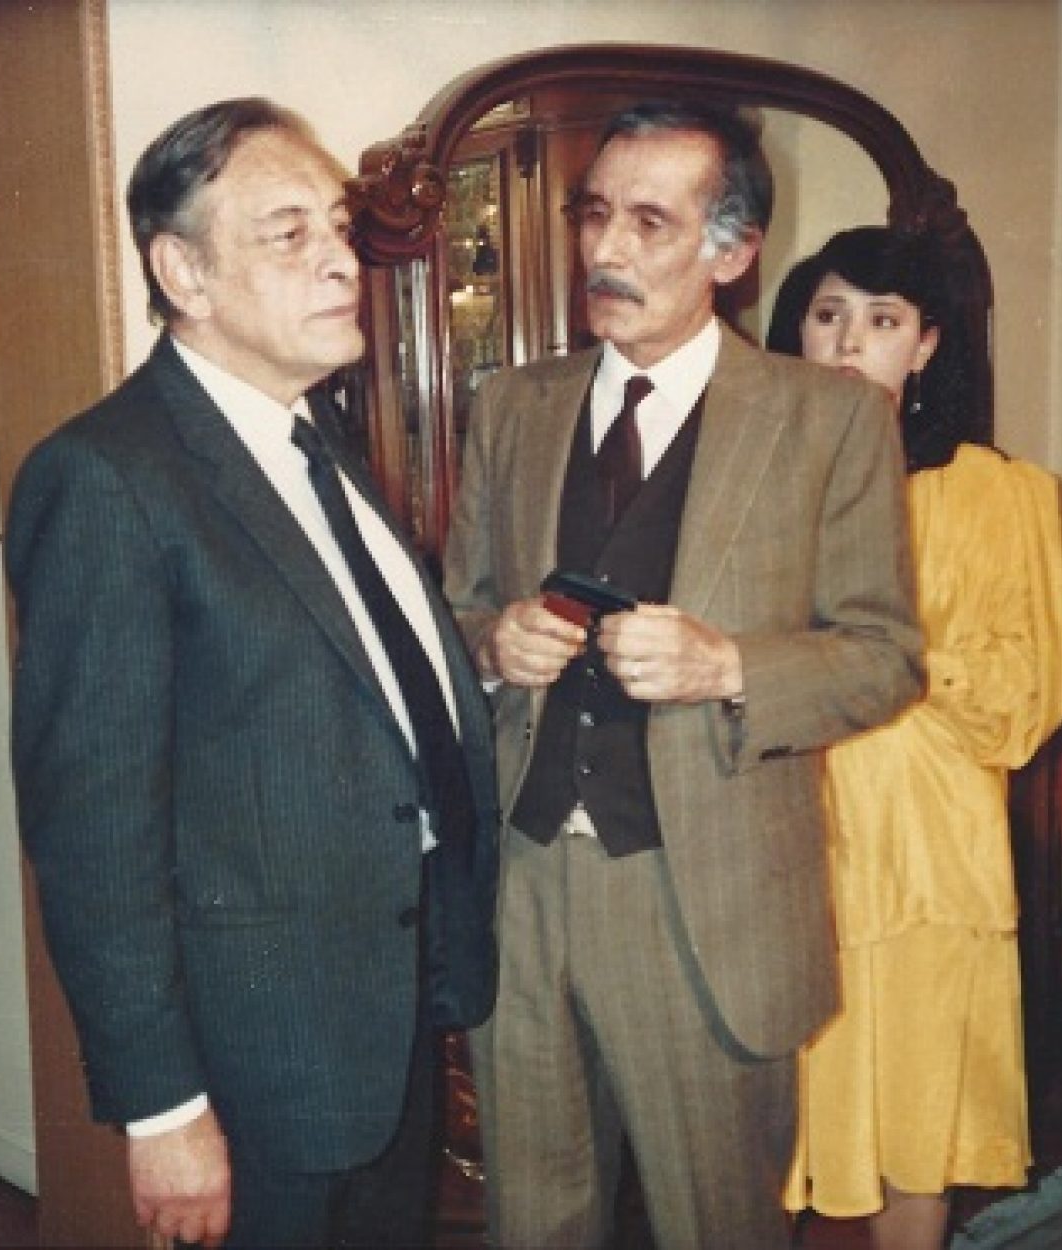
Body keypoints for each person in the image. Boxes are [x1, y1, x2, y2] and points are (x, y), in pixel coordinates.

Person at [5, 97, 499, 1249]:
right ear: (183, 271)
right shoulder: (107, 477)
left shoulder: (316, 441)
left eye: (338, 228)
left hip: (383, 1002)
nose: (340, 260)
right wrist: (162, 1107)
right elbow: (93, 834)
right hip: (255, 1058)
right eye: (289, 234)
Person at [441, 101, 924, 1249]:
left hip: (701, 894)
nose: (606, 249)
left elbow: (886, 655)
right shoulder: (512, 406)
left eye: (649, 222)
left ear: (733, 250)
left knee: (719, 1222)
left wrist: (729, 664)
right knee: (533, 1219)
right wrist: (492, 642)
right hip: (522, 880)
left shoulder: (831, 420)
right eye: (595, 214)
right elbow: (456, 610)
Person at [768, 226, 1062, 1250]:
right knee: (784, 1130)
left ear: (928, 344)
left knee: (921, 1122)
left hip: (929, 848)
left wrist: (887, 654)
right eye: (828, 314)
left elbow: (1024, 703)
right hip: (783, 841)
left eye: (883, 319)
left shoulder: (997, 493)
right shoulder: (748, 485)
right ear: (797, 332)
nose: (851, 341)